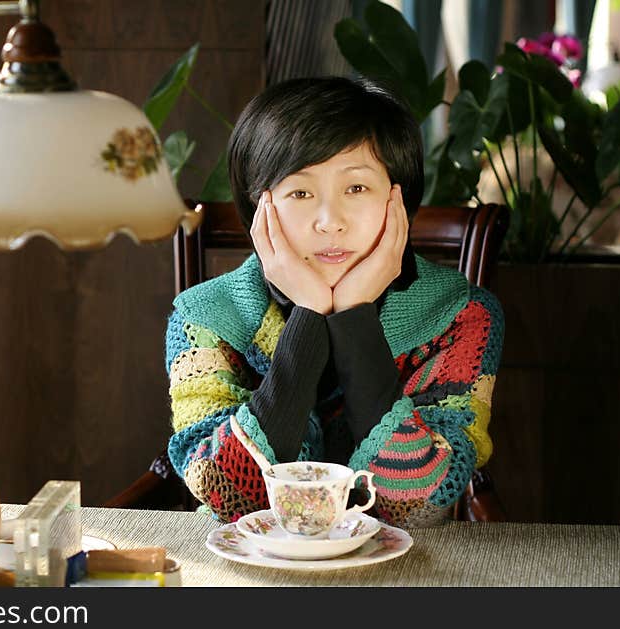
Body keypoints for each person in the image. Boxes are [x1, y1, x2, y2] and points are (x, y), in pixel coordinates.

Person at [164, 76, 504, 529]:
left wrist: (354, 317)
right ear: (259, 207)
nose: (330, 222)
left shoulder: (462, 315)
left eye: (356, 188)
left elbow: (419, 504)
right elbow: (231, 497)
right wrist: (309, 312)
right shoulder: (203, 317)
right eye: (300, 193)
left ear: (397, 196)